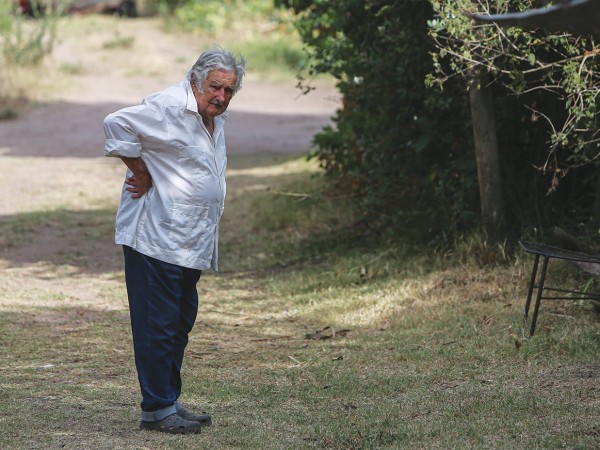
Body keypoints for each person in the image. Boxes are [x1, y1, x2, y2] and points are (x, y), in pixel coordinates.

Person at [103, 47, 246, 434]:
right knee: (158, 325)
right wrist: (139, 169)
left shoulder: (214, 116)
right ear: (196, 81)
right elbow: (115, 123)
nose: (221, 96)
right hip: (156, 235)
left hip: (189, 240)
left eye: (228, 90)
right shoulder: (168, 106)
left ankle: (164, 403)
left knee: (179, 322)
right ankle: (159, 406)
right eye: (215, 87)